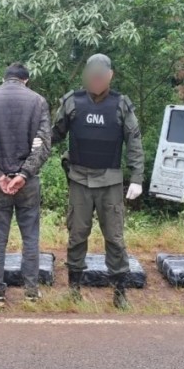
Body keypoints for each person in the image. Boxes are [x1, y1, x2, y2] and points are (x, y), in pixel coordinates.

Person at [51, 54, 144, 309]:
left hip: (110, 182)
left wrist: (137, 177)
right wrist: (30, 145)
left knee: (114, 238)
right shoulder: (72, 102)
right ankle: (74, 288)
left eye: (101, 76)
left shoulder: (120, 104)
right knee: (77, 236)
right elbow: (54, 134)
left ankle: (119, 292)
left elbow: (134, 140)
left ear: (110, 76)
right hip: (80, 180)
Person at [0, 63, 51, 307]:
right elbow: (42, 144)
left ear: (3, 78)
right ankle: (31, 292)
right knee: (30, 237)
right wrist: (24, 174)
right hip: (27, 184)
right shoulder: (38, 102)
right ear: (26, 79)